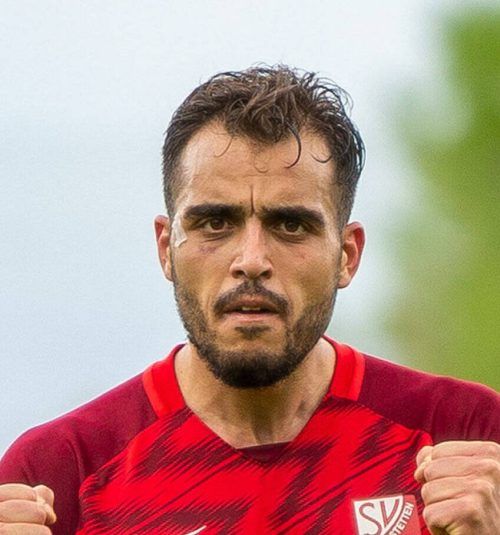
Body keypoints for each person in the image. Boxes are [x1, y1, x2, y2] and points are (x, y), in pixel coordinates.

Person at [0, 65, 498, 535]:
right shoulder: (59, 477)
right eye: (215, 223)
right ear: (166, 248)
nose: (252, 260)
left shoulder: (467, 436)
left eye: (291, 225)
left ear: (347, 255)